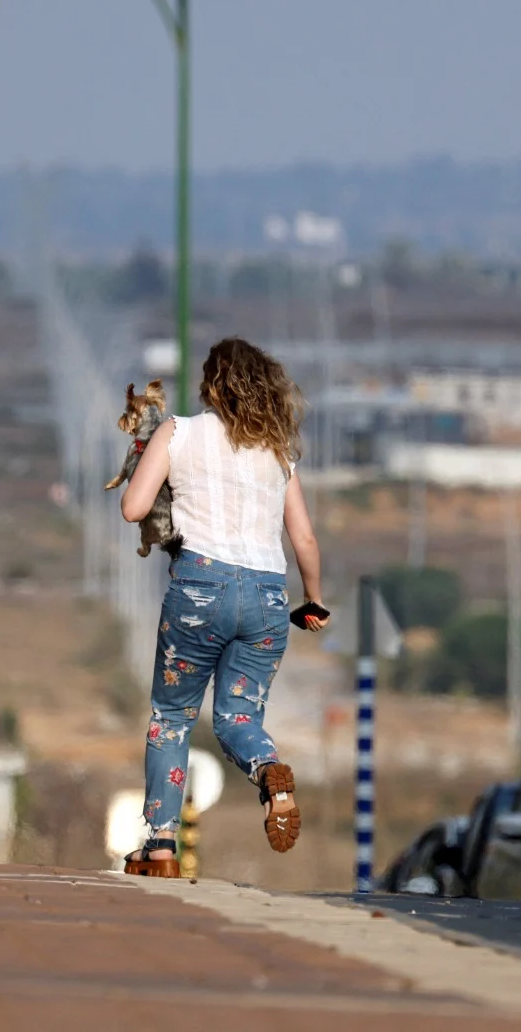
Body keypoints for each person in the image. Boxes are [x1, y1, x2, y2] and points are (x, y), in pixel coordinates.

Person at [117, 337, 328, 877]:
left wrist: (149, 461)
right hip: (267, 596)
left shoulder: (179, 432)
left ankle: (161, 844)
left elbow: (132, 507)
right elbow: (303, 537)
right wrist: (314, 601)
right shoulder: (278, 452)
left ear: (211, 386)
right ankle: (269, 770)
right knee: (238, 716)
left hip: (199, 590)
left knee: (173, 716)